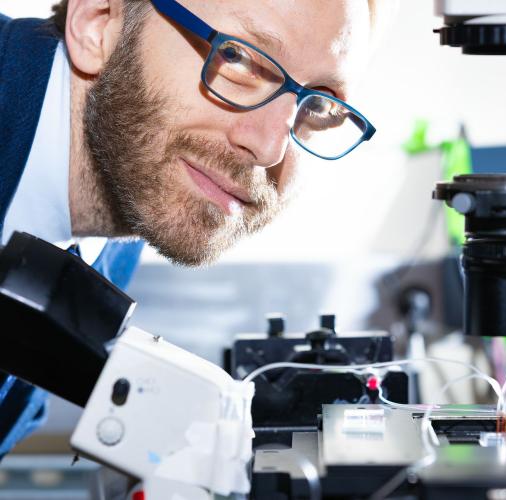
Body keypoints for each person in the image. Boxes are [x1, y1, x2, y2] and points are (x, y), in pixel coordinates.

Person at [0, 0, 382, 456]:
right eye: (238, 57)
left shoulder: (118, 227)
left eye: (320, 106)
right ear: (98, 24)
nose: (268, 148)